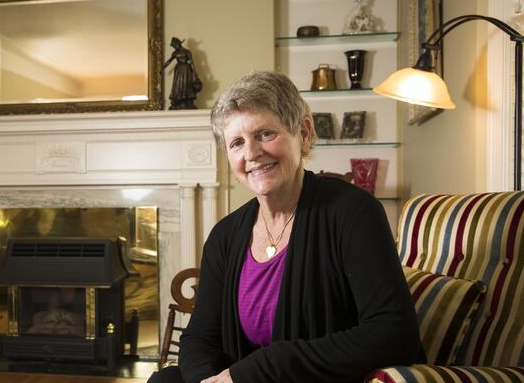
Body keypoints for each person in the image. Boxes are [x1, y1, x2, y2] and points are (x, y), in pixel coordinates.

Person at [149, 71, 422, 383]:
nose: (251, 153)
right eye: (237, 143)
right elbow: (199, 338)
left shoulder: (354, 212)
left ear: (303, 133)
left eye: (265, 133)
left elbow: (395, 334)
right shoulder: (225, 236)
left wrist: (258, 369)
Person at [163, 37, 202, 110]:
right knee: (178, 85)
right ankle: (178, 100)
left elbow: (192, 63)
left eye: (174, 45)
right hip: (178, 71)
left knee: (186, 84)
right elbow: (169, 61)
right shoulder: (175, 53)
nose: (174, 47)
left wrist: (194, 73)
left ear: (178, 44)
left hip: (187, 69)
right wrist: (162, 68)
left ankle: (187, 100)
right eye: (173, 46)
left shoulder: (187, 52)